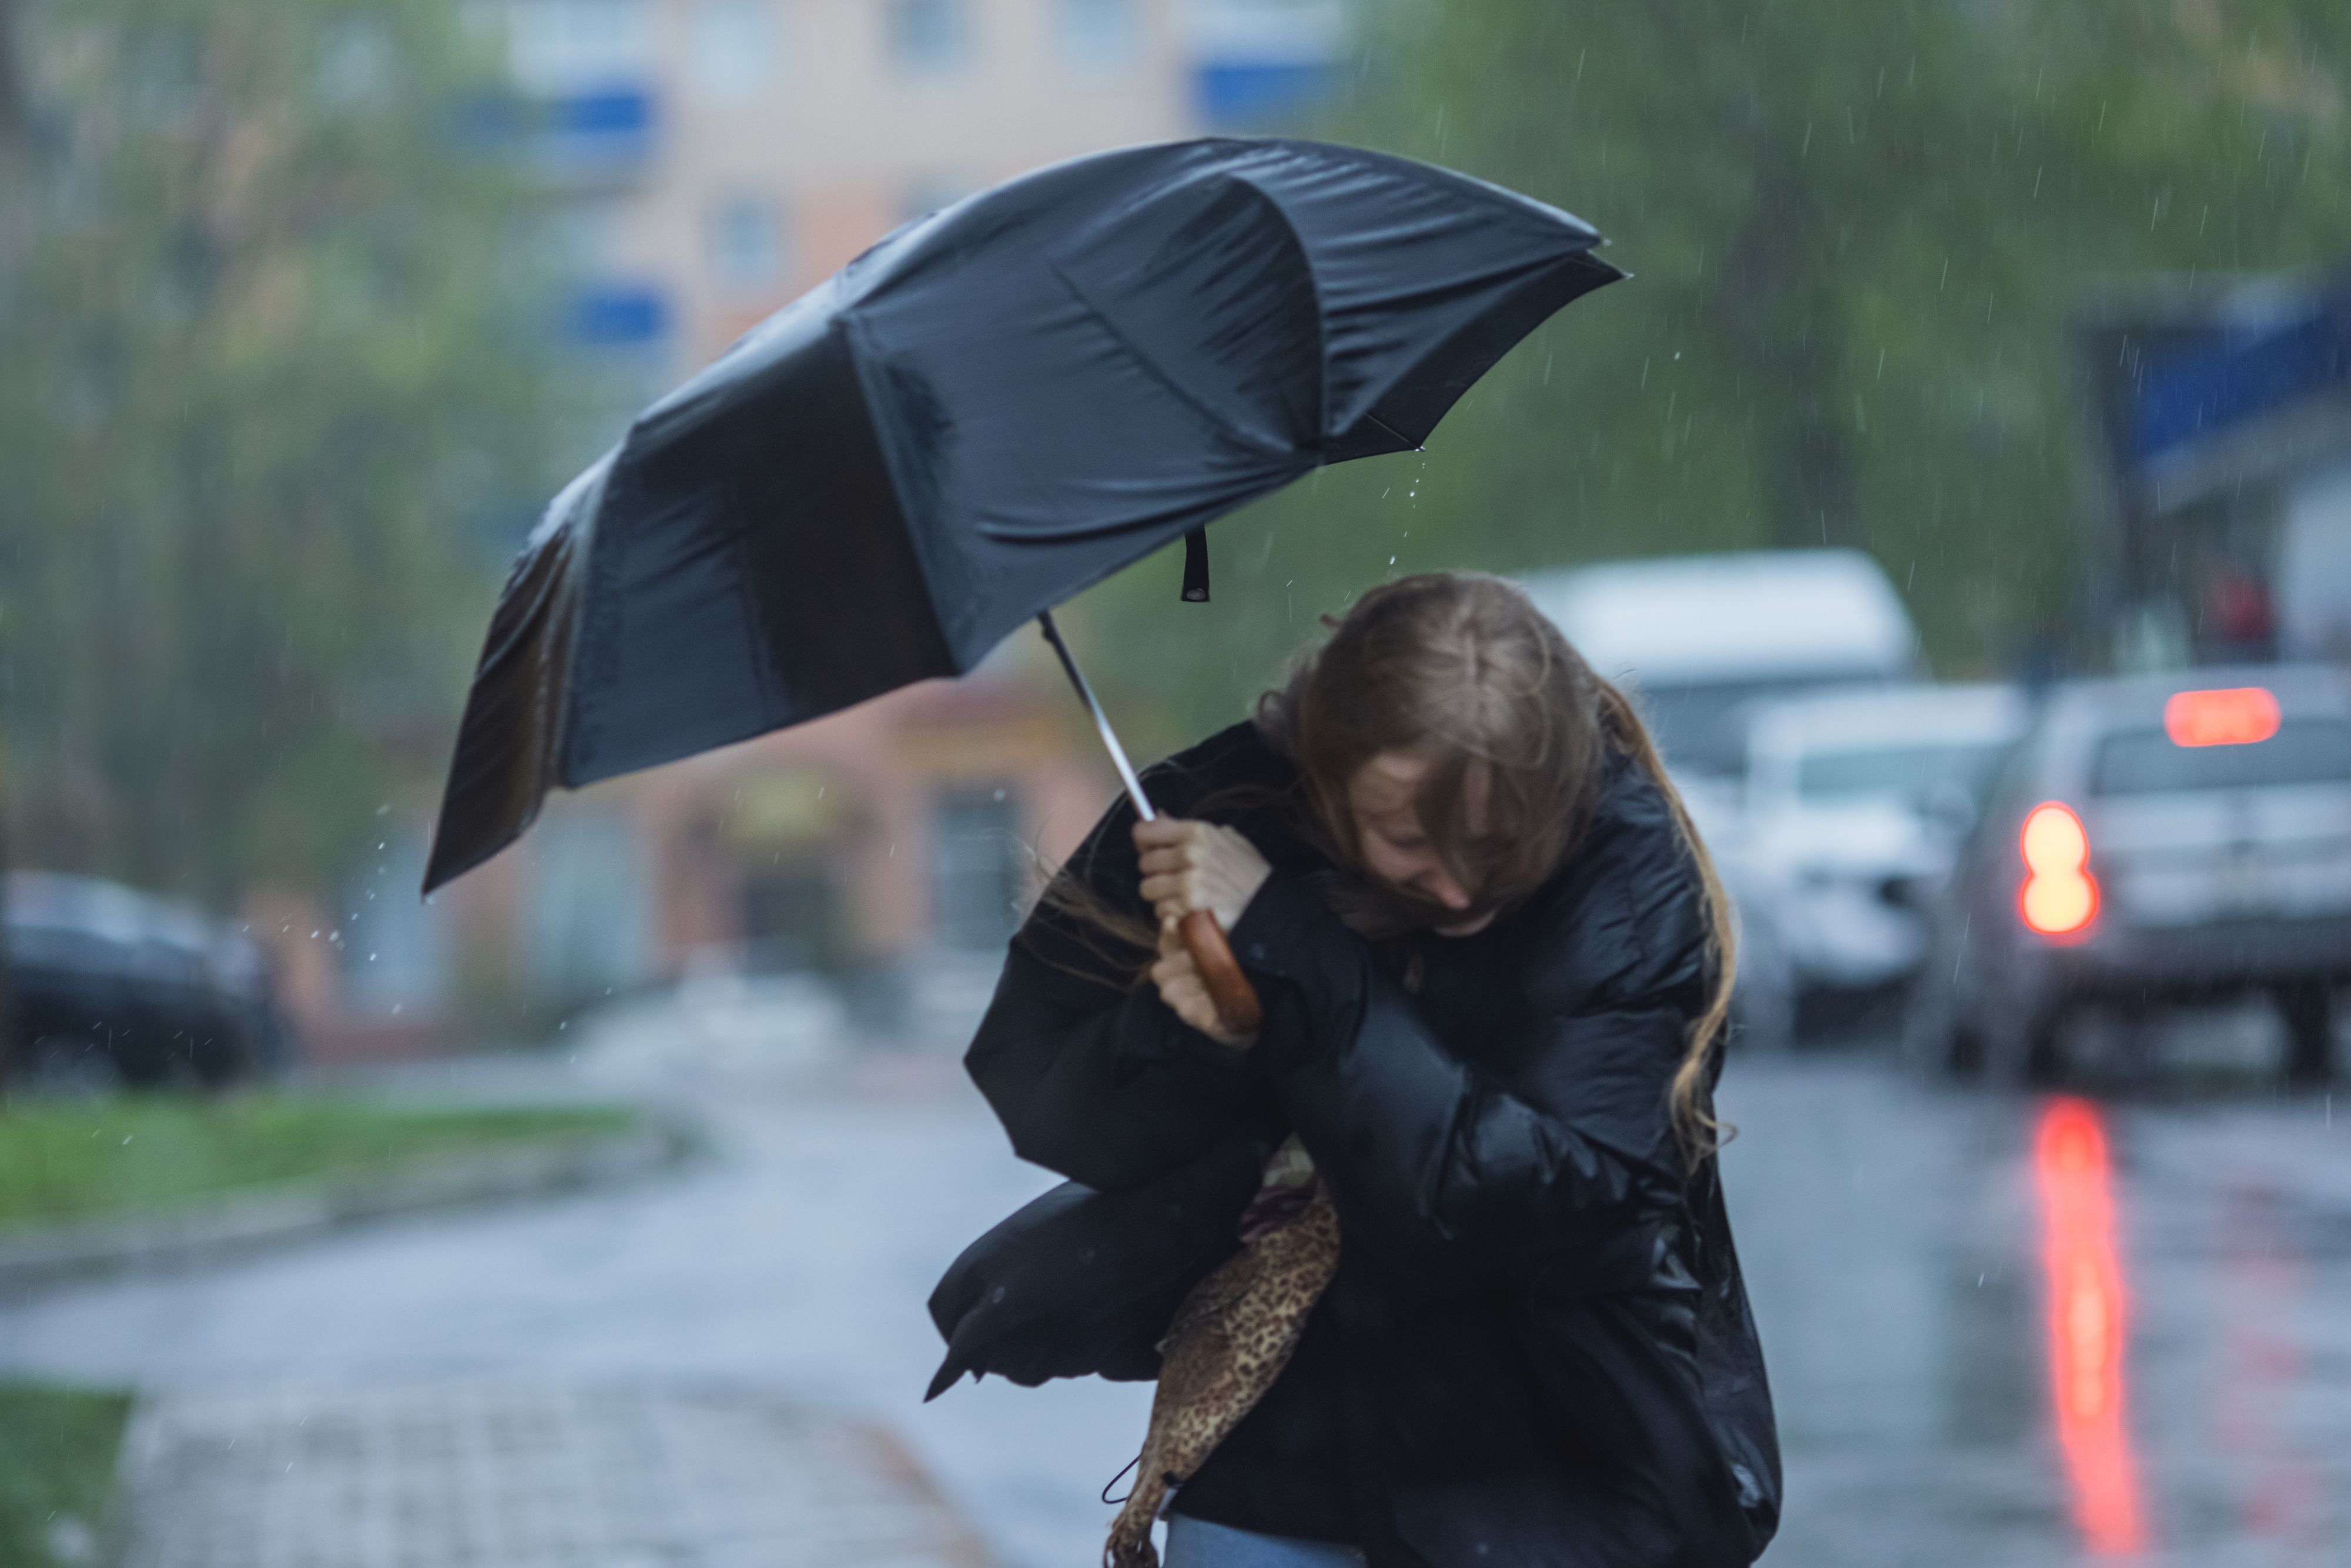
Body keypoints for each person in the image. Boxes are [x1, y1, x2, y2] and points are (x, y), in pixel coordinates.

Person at [925, 573, 1780, 1568]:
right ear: (1328, 781)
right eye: (1408, 842)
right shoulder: (1223, 813)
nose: (1458, 886)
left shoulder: (1622, 871)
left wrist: (1292, 945)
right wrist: (1196, 1037)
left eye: (1498, 847)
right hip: (1275, 1461)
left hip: (1554, 1476)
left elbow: (1525, 1202)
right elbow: (1051, 1103)